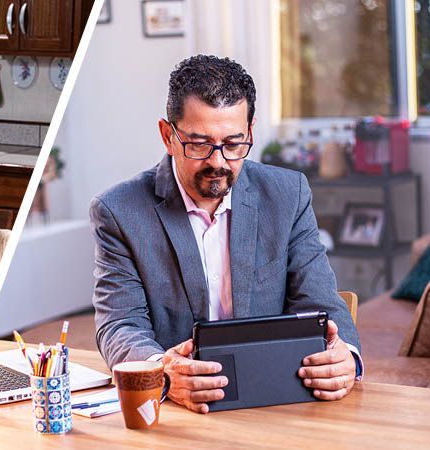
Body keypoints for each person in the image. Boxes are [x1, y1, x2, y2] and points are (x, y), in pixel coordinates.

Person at [90, 55, 362, 414]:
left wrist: (346, 357)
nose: (217, 162)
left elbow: (320, 302)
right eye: (199, 144)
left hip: (276, 398)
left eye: (233, 144)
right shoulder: (119, 211)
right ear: (168, 136)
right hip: (181, 409)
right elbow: (120, 324)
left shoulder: (287, 194)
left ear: (250, 133)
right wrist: (162, 372)